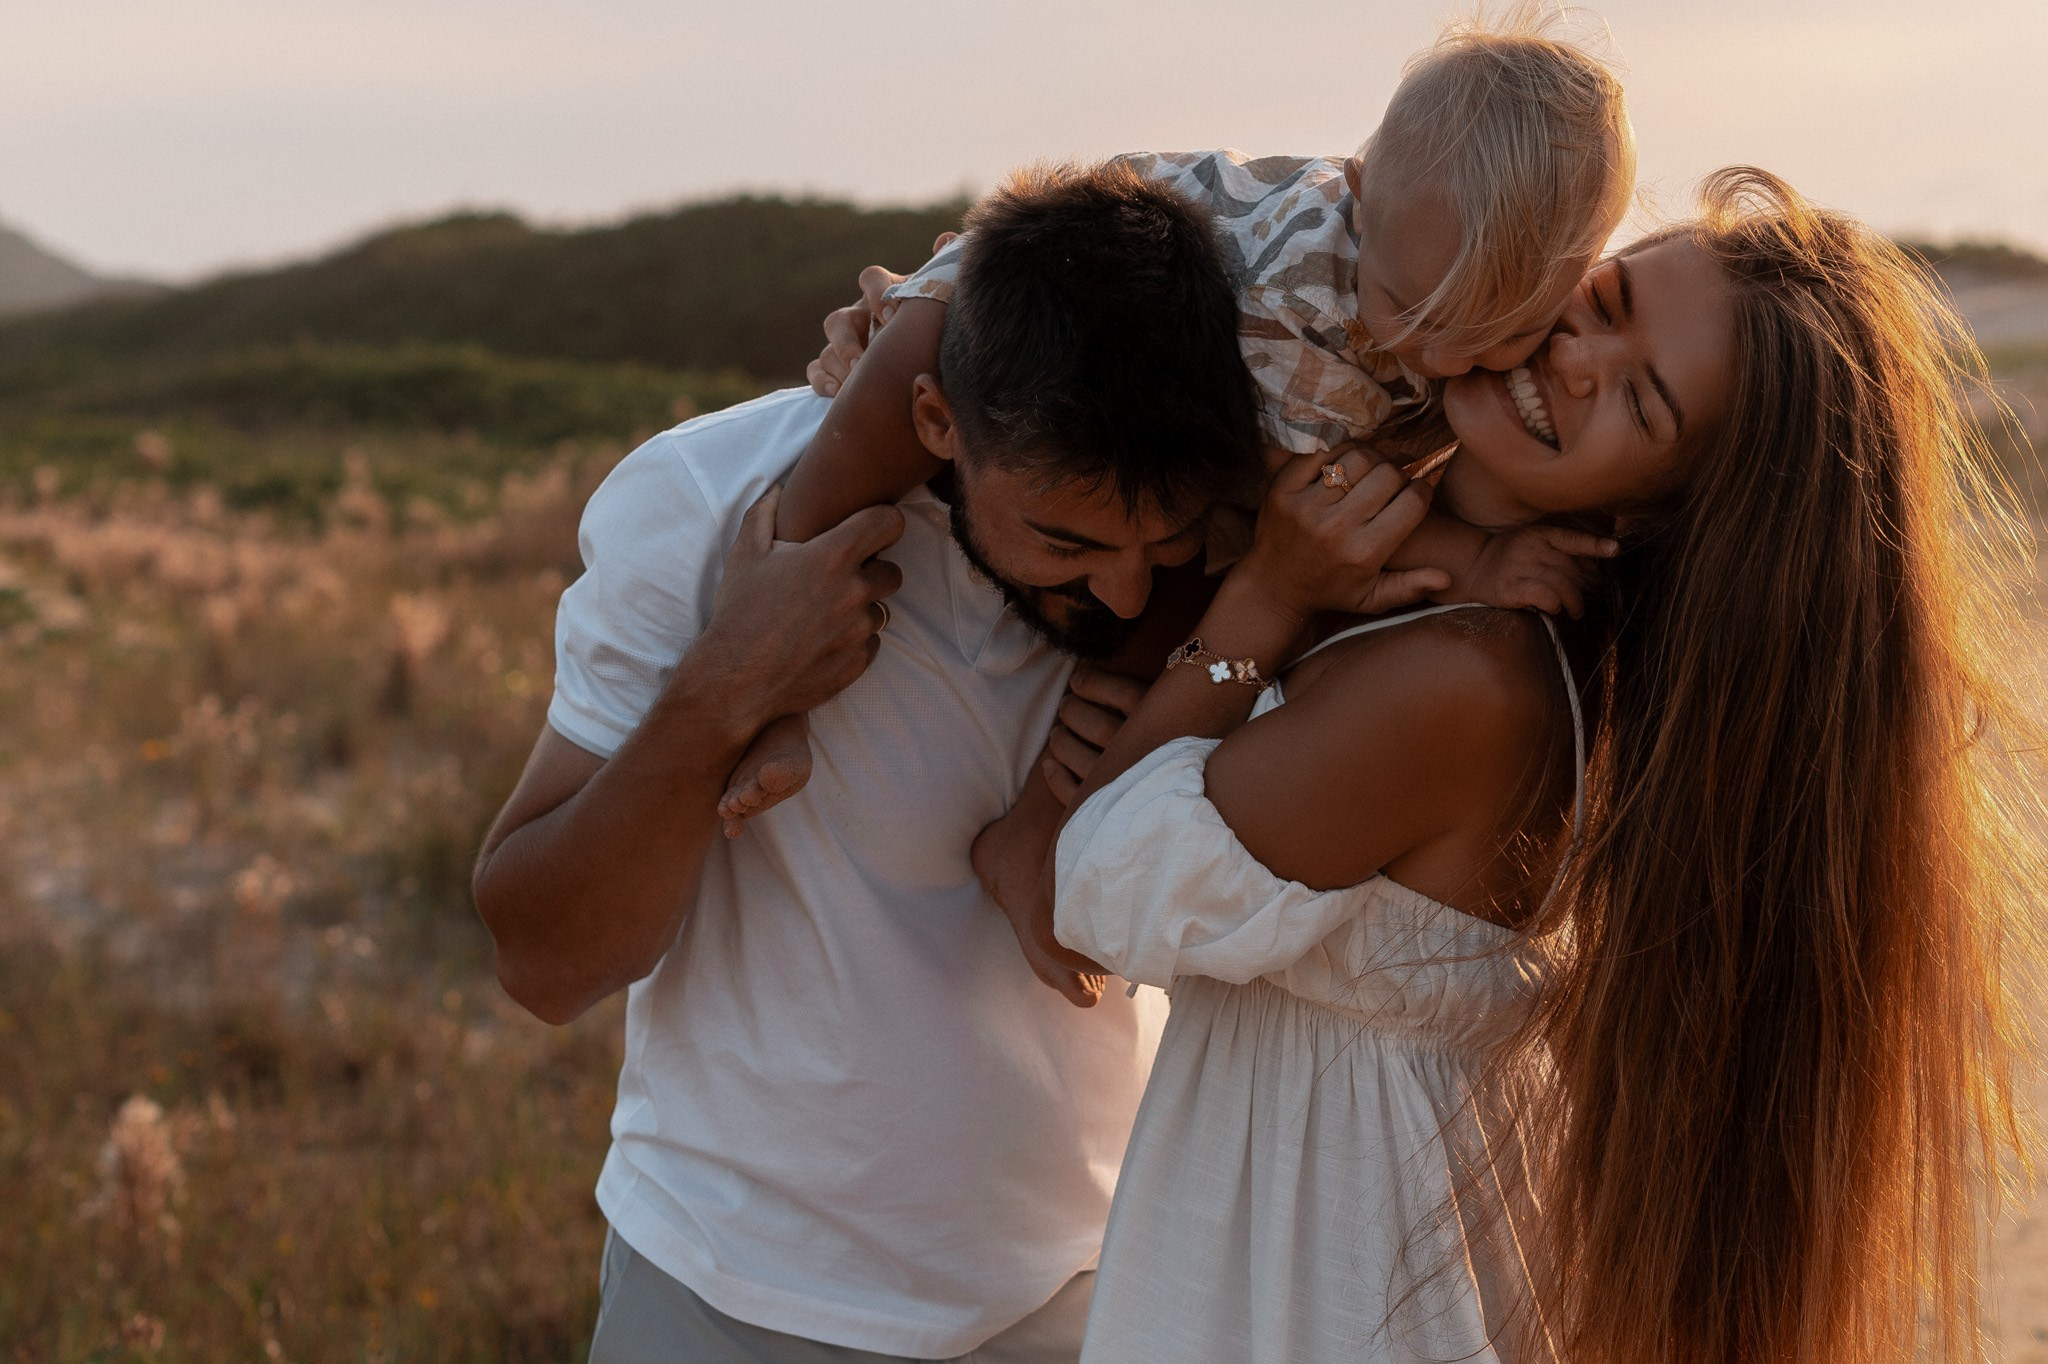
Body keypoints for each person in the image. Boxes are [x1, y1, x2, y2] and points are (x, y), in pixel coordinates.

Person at [1051, 168, 2045, 1363]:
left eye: (1645, 404)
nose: (1578, 360)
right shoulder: (1462, 608)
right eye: (1608, 299)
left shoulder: (1463, 680)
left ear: (1663, 508)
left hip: (1325, 1291)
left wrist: (1261, 597)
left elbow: (1091, 890)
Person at [470, 163, 1271, 1363]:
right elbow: (542, 958)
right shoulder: (698, 499)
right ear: (938, 417)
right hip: (724, 1297)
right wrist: (727, 686)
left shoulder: (1216, 547)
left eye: (1161, 542)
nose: (1121, 587)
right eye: (1066, 538)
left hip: (1083, 1285)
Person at [718, 11, 1637, 845]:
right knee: (901, 364)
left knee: (1170, 634)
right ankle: (771, 631)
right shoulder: (1307, 295)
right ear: (1358, 192)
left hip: (1180, 423)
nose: (1442, 356)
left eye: (1499, 331)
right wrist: (1473, 562)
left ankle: (1044, 834)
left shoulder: (1470, 288)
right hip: (1052, 286)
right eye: (1411, 311)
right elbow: (1310, 492)